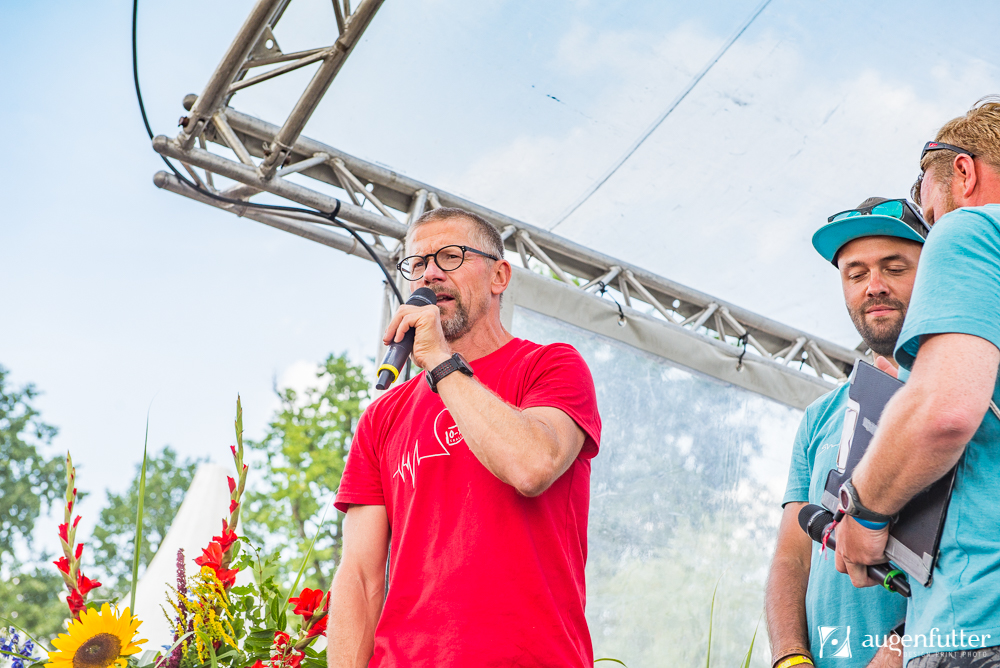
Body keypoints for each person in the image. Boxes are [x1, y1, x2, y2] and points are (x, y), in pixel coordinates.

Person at [326, 207, 602, 667]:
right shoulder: (382, 417)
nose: (430, 273)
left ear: (499, 276)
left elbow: (532, 466)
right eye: (417, 263)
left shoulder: (550, 366)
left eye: (451, 256)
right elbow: (358, 575)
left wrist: (440, 361)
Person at [834, 98, 1000, 668]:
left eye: (928, 210)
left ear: (963, 172)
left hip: (976, 624)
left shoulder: (972, 228)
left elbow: (944, 411)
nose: (932, 226)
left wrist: (863, 515)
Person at [766, 196, 929, 668]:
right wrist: (790, 657)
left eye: (894, 268)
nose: (874, 286)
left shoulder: (963, 398)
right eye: (856, 274)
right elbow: (792, 558)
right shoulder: (820, 415)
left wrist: (898, 651)